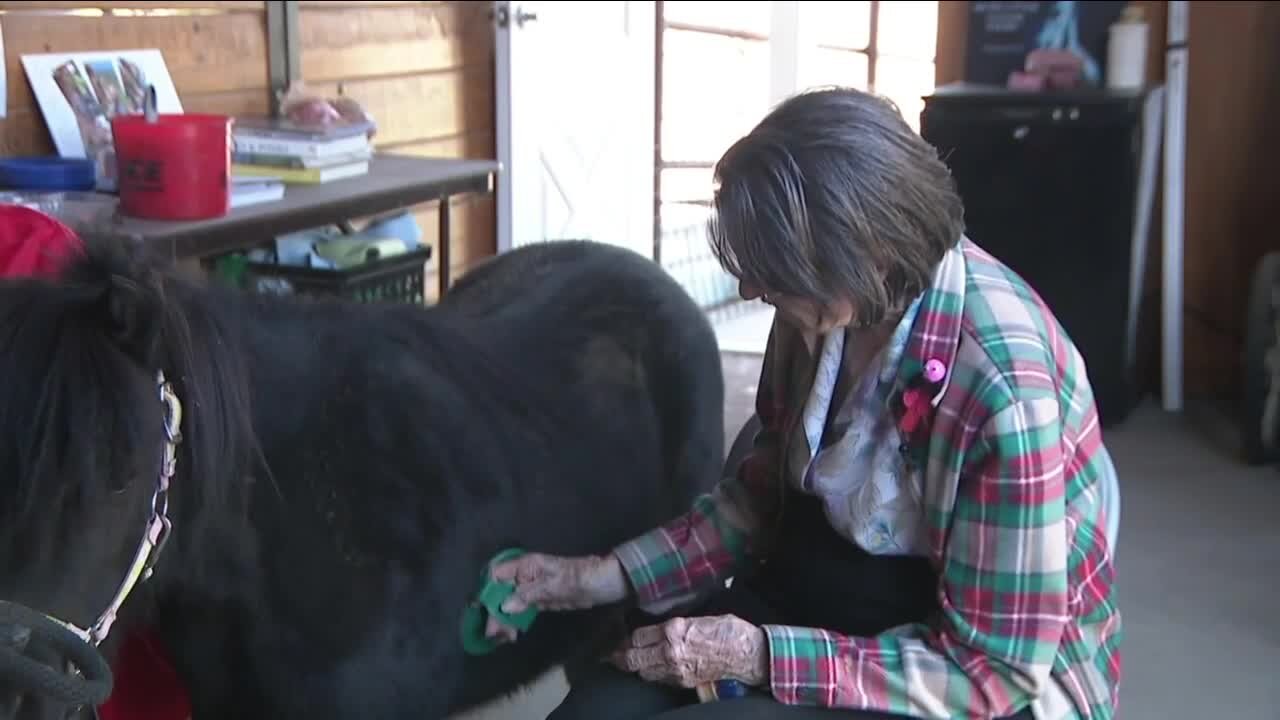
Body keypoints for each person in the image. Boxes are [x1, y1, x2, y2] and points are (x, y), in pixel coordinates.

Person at [486, 86, 1122, 720]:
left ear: (868, 253)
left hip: (963, 670)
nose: (748, 287)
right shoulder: (821, 311)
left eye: (772, 268)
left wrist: (759, 656)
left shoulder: (1002, 388)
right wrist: (603, 576)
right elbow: (762, 494)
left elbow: (994, 675)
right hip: (832, 587)